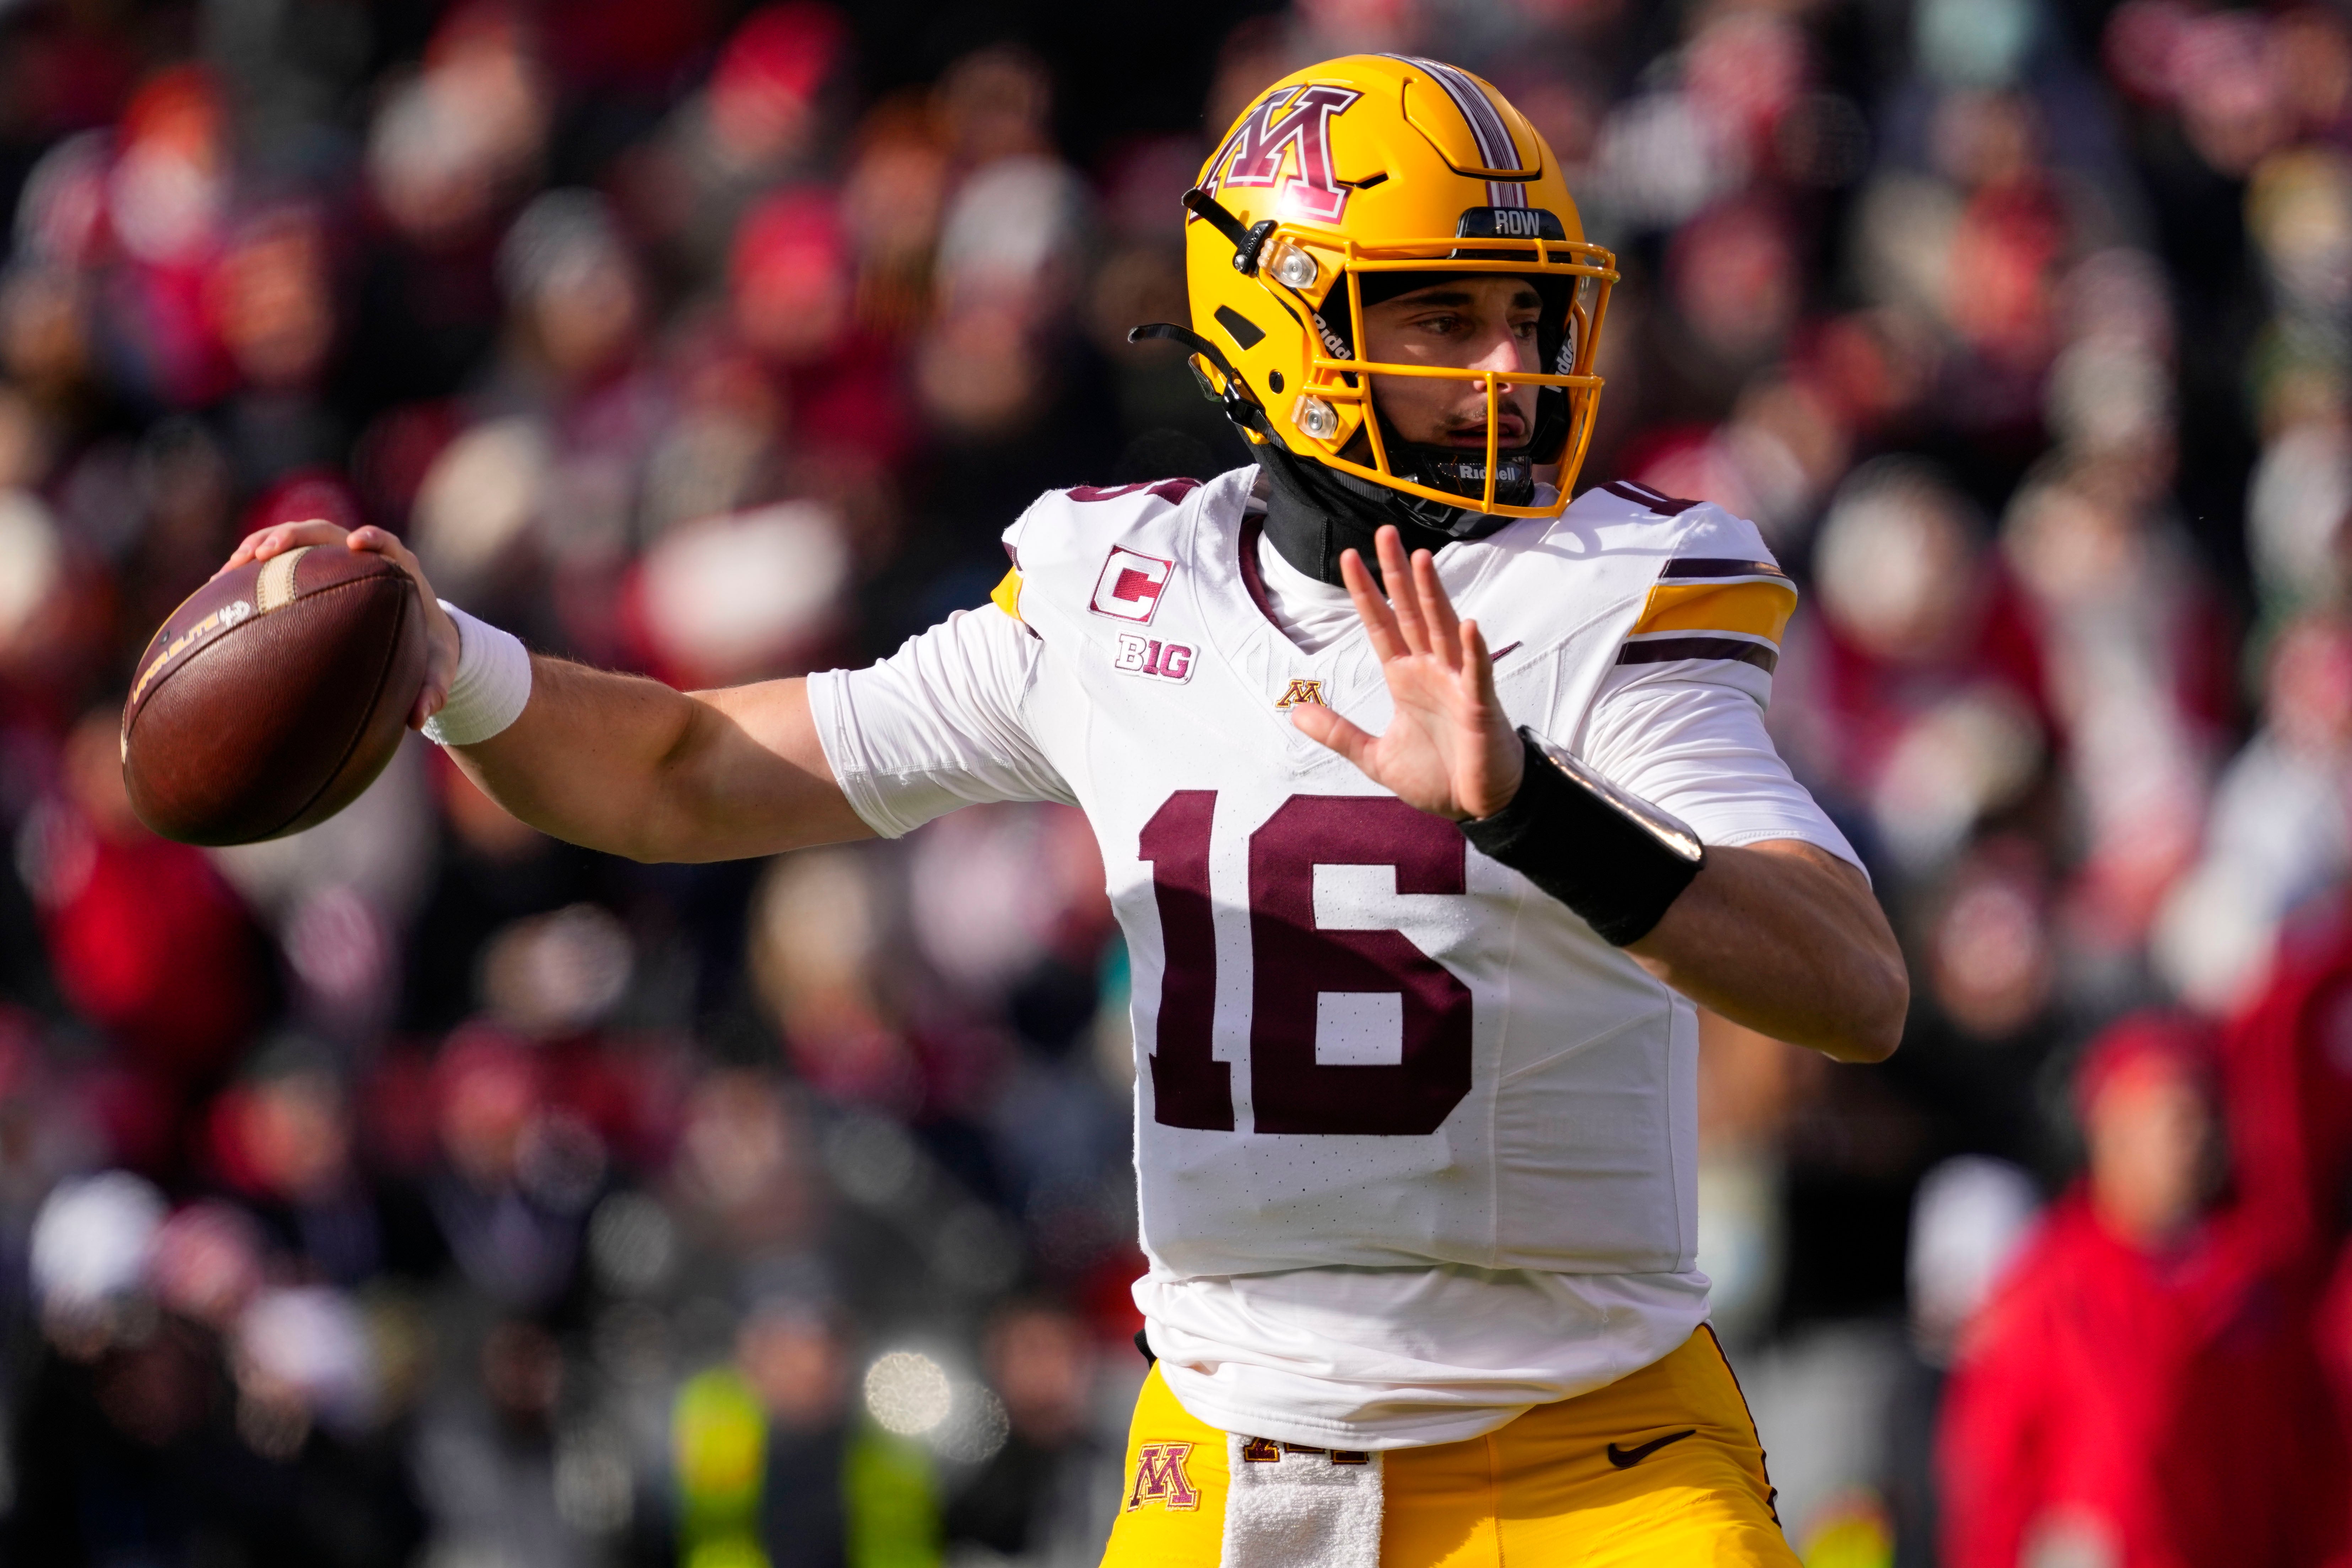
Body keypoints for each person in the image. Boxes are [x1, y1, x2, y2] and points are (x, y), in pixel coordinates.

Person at [218, 54, 1905, 1567]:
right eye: (1439, 317)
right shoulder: (1118, 588)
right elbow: (687, 769)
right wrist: (442, 657)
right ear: (1284, 323)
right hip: (1233, 1464)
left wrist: (1536, 809)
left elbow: (1847, 983)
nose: (1505, 371)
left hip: (1579, 1464)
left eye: (1525, 318)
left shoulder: (1601, 590)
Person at [1935, 1014, 2344, 1568]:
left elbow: (2314, 1447)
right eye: (2173, 1119)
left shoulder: (2259, 1276)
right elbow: (1992, 1464)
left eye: (2204, 1116)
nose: (2196, 1138)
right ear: (2112, 1131)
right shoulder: (2051, 1282)